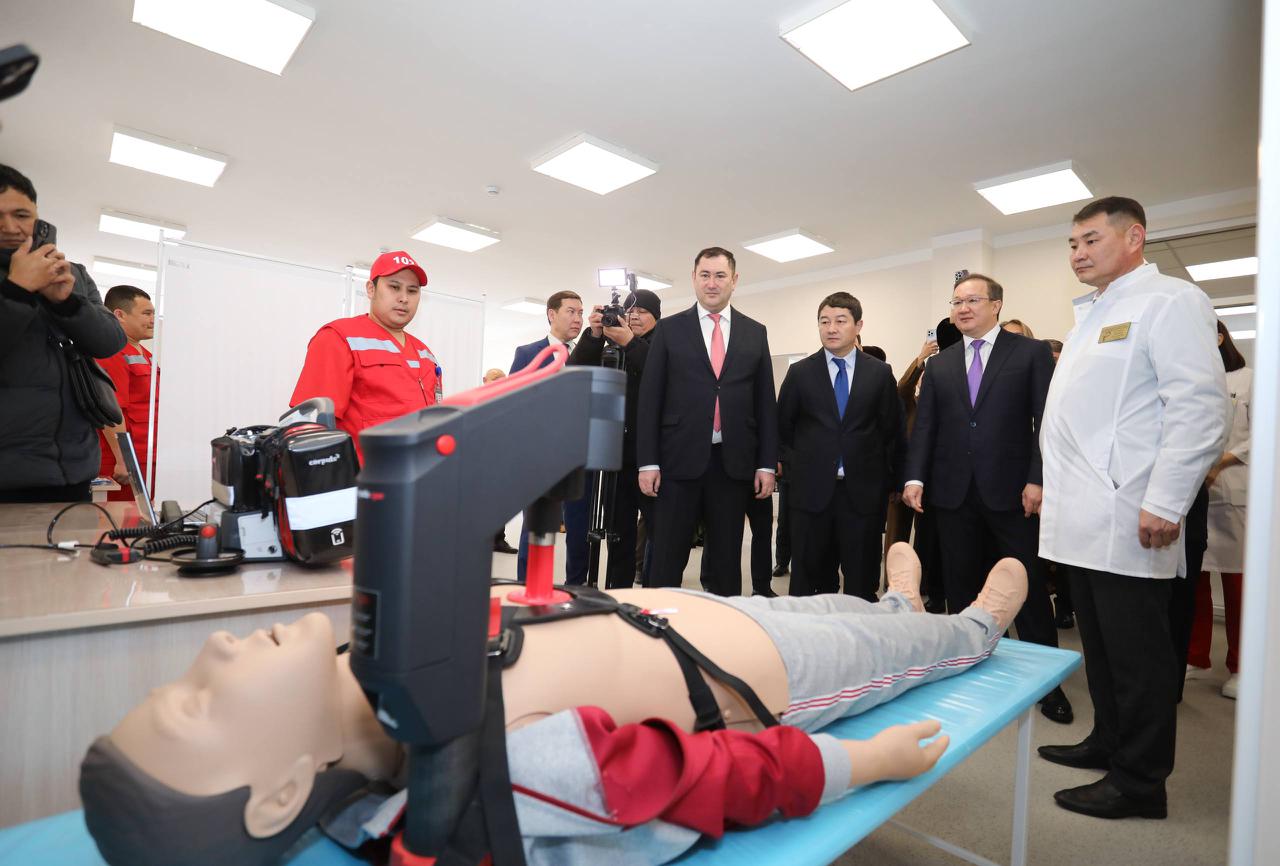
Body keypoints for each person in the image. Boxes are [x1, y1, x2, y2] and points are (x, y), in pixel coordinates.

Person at [80, 544, 1029, 866]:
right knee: (893, 653)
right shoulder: (481, 772)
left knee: (834, 605)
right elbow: (706, 776)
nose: (211, 652)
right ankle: (971, 629)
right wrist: (864, 762)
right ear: (283, 793)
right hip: (760, 676)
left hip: (676, 608)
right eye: (198, 704)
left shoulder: (372, 658)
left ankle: (895, 603)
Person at [1037, 197, 1227, 820]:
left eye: (1091, 239)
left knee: (1138, 654)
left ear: (1135, 237)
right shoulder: (1094, 313)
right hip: (1082, 516)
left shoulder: (1170, 301)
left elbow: (1199, 408)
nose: (1078, 253)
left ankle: (1141, 782)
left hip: (1130, 513)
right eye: (1072, 244)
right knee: (1100, 645)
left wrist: (1167, 499)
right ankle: (1109, 740)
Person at [902, 273, 1070, 723]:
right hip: (953, 494)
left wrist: (1038, 478)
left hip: (1013, 493)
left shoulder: (1030, 353)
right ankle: (971, 669)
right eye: (956, 301)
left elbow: (1046, 421)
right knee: (963, 588)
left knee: (1027, 588)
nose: (962, 308)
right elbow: (926, 428)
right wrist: (915, 477)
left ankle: (1047, 685)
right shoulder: (940, 365)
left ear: (996, 305)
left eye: (972, 300)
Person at [637, 247, 778, 595]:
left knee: (726, 562)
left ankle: (722, 623)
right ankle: (661, 622)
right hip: (676, 462)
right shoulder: (669, 330)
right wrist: (648, 462)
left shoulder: (755, 332)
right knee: (667, 557)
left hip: (732, 464)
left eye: (719, 275)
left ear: (734, 280)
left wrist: (766, 464)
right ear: (694, 278)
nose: (712, 283)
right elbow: (650, 400)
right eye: (705, 275)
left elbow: (765, 402)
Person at [0, 164, 126, 504]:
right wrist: (18, 290)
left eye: (21, 215)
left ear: (37, 216)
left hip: (74, 472)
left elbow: (110, 341)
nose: (10, 227)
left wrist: (66, 303)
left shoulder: (74, 274)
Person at [777, 292, 905, 600]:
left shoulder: (879, 373)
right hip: (810, 494)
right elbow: (782, 428)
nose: (831, 328)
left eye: (840, 321)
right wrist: (794, 472)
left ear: (858, 326)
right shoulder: (800, 373)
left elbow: (893, 430)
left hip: (862, 494)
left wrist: (896, 480)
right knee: (809, 579)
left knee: (861, 577)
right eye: (824, 322)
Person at [291, 251, 442, 463]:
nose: (404, 298)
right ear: (371, 289)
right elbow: (311, 427)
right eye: (394, 287)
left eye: (412, 290)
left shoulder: (426, 354)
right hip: (365, 477)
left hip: (422, 472)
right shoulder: (339, 338)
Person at [568, 289, 662, 588]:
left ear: (656, 317)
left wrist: (630, 343)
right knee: (618, 532)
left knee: (659, 533)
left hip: (653, 459)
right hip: (615, 456)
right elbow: (575, 373)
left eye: (643, 311)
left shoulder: (664, 343)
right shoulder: (611, 346)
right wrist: (595, 335)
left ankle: (653, 593)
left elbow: (661, 374)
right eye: (630, 311)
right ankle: (617, 592)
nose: (635, 317)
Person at [1186, 322, 1251, 699]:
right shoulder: (1193, 379)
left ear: (1221, 338)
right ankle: (1196, 655)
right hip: (1196, 492)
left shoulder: (1249, 379)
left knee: (1236, 583)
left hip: (1232, 488)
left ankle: (1241, 665)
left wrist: (1218, 462)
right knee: (1196, 578)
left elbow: (1260, 435)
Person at [510, 291, 589, 583]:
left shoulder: (589, 353)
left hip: (579, 457)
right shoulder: (528, 353)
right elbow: (514, 403)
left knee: (579, 531)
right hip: (539, 457)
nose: (578, 318)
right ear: (552, 314)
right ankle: (527, 586)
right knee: (535, 529)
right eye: (571, 311)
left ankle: (575, 588)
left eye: (580, 312)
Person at [97, 286, 158, 502]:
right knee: (123, 519)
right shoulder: (110, 352)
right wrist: (123, 459)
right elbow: (110, 409)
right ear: (120, 315)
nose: (153, 320)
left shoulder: (148, 355)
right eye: (146, 313)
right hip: (125, 463)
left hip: (147, 458)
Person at [483, 368, 520, 554]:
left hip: (501, 458)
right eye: (495, 379)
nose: (498, 383)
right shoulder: (477, 401)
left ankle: (498, 540)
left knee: (500, 501)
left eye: (502, 380)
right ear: (484, 380)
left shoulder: (507, 403)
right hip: (482, 459)